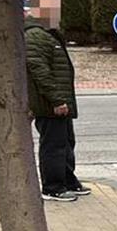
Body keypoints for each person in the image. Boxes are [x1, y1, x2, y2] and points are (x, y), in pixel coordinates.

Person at [25, 19, 87, 202]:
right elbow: (39, 71)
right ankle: (53, 187)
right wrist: (56, 100)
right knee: (54, 146)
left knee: (66, 142)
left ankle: (67, 180)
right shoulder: (34, 37)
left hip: (59, 103)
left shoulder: (45, 36)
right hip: (49, 105)